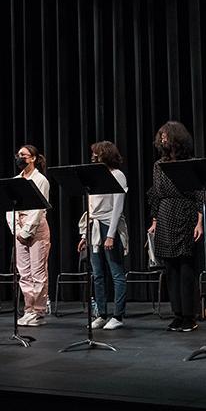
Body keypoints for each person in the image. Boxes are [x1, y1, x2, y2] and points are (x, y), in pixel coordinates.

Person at [147, 121, 204, 332]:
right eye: (161, 136)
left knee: (186, 268)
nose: (163, 139)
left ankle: (190, 316)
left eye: (166, 135)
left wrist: (199, 222)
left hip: (185, 213)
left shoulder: (189, 163)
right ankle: (177, 314)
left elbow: (200, 194)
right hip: (165, 214)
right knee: (170, 268)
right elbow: (155, 195)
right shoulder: (158, 165)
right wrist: (154, 221)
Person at [77, 141, 129, 330]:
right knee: (97, 274)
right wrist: (84, 235)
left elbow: (117, 207)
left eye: (97, 153)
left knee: (116, 272)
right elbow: (90, 208)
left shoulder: (117, 175)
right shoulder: (95, 176)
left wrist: (112, 234)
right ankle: (101, 313)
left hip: (109, 226)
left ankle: (118, 315)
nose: (93, 156)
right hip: (94, 227)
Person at [9, 144, 51, 327]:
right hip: (19, 228)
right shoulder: (16, 180)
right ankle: (28, 309)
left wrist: (26, 231)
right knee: (24, 272)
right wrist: (17, 231)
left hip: (36, 228)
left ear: (33, 158)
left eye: (23, 155)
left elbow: (39, 208)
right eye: (18, 154)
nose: (20, 157)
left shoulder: (40, 180)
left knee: (38, 272)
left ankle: (39, 311)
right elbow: (9, 207)